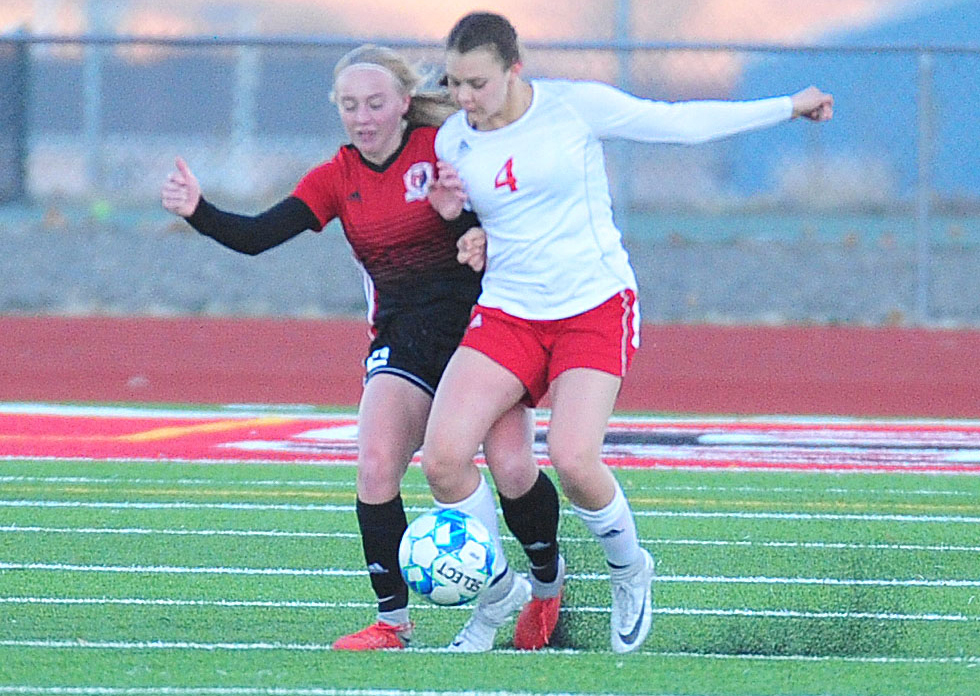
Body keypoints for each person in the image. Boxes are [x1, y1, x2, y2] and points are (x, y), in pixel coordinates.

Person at [421, 12, 834, 654]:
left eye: (476, 83)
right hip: (508, 309)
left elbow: (679, 124)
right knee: (444, 460)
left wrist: (789, 105)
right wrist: (463, 225)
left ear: (514, 70)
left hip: (592, 305)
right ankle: (498, 595)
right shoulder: (453, 141)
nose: (465, 98)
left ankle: (629, 570)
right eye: (454, 84)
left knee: (574, 459)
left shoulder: (574, 109)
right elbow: (474, 213)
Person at [160, 44, 565, 652]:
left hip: (487, 332)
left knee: (511, 468)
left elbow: (510, 212)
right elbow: (257, 236)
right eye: (350, 105)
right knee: (375, 468)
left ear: (404, 104)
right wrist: (198, 211)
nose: (363, 115)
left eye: (376, 102)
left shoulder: (446, 147)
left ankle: (546, 584)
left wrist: (469, 228)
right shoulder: (335, 178)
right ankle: (395, 624)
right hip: (403, 341)